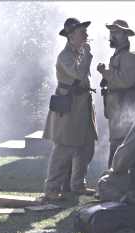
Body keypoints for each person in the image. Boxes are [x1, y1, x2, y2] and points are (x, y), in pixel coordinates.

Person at [42, 18, 98, 201]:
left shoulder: (78, 53)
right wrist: (88, 55)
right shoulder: (64, 56)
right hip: (69, 107)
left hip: (82, 106)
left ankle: (77, 185)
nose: (86, 35)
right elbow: (79, 73)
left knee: (86, 146)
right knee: (64, 148)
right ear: (71, 36)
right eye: (82, 33)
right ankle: (51, 188)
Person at [97, 19, 135, 169]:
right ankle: (112, 184)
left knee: (119, 147)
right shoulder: (118, 56)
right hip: (117, 109)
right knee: (116, 145)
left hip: (125, 110)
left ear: (125, 35)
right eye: (111, 32)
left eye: (116, 32)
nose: (112, 35)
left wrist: (105, 73)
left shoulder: (130, 57)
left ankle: (113, 184)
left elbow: (125, 82)